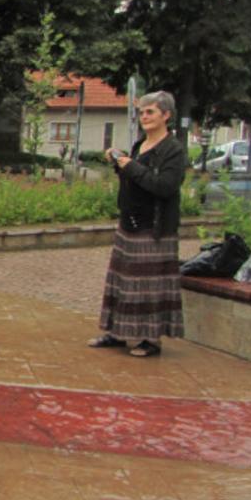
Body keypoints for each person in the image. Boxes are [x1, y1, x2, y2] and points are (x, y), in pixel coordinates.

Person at [89, 91, 186, 357]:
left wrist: (131, 167)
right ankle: (118, 332)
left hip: (154, 228)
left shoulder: (173, 150)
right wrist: (120, 163)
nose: (144, 117)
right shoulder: (139, 144)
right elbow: (136, 180)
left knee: (148, 285)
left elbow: (165, 187)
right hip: (129, 223)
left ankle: (150, 339)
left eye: (150, 112)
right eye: (142, 112)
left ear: (166, 115)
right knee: (122, 280)